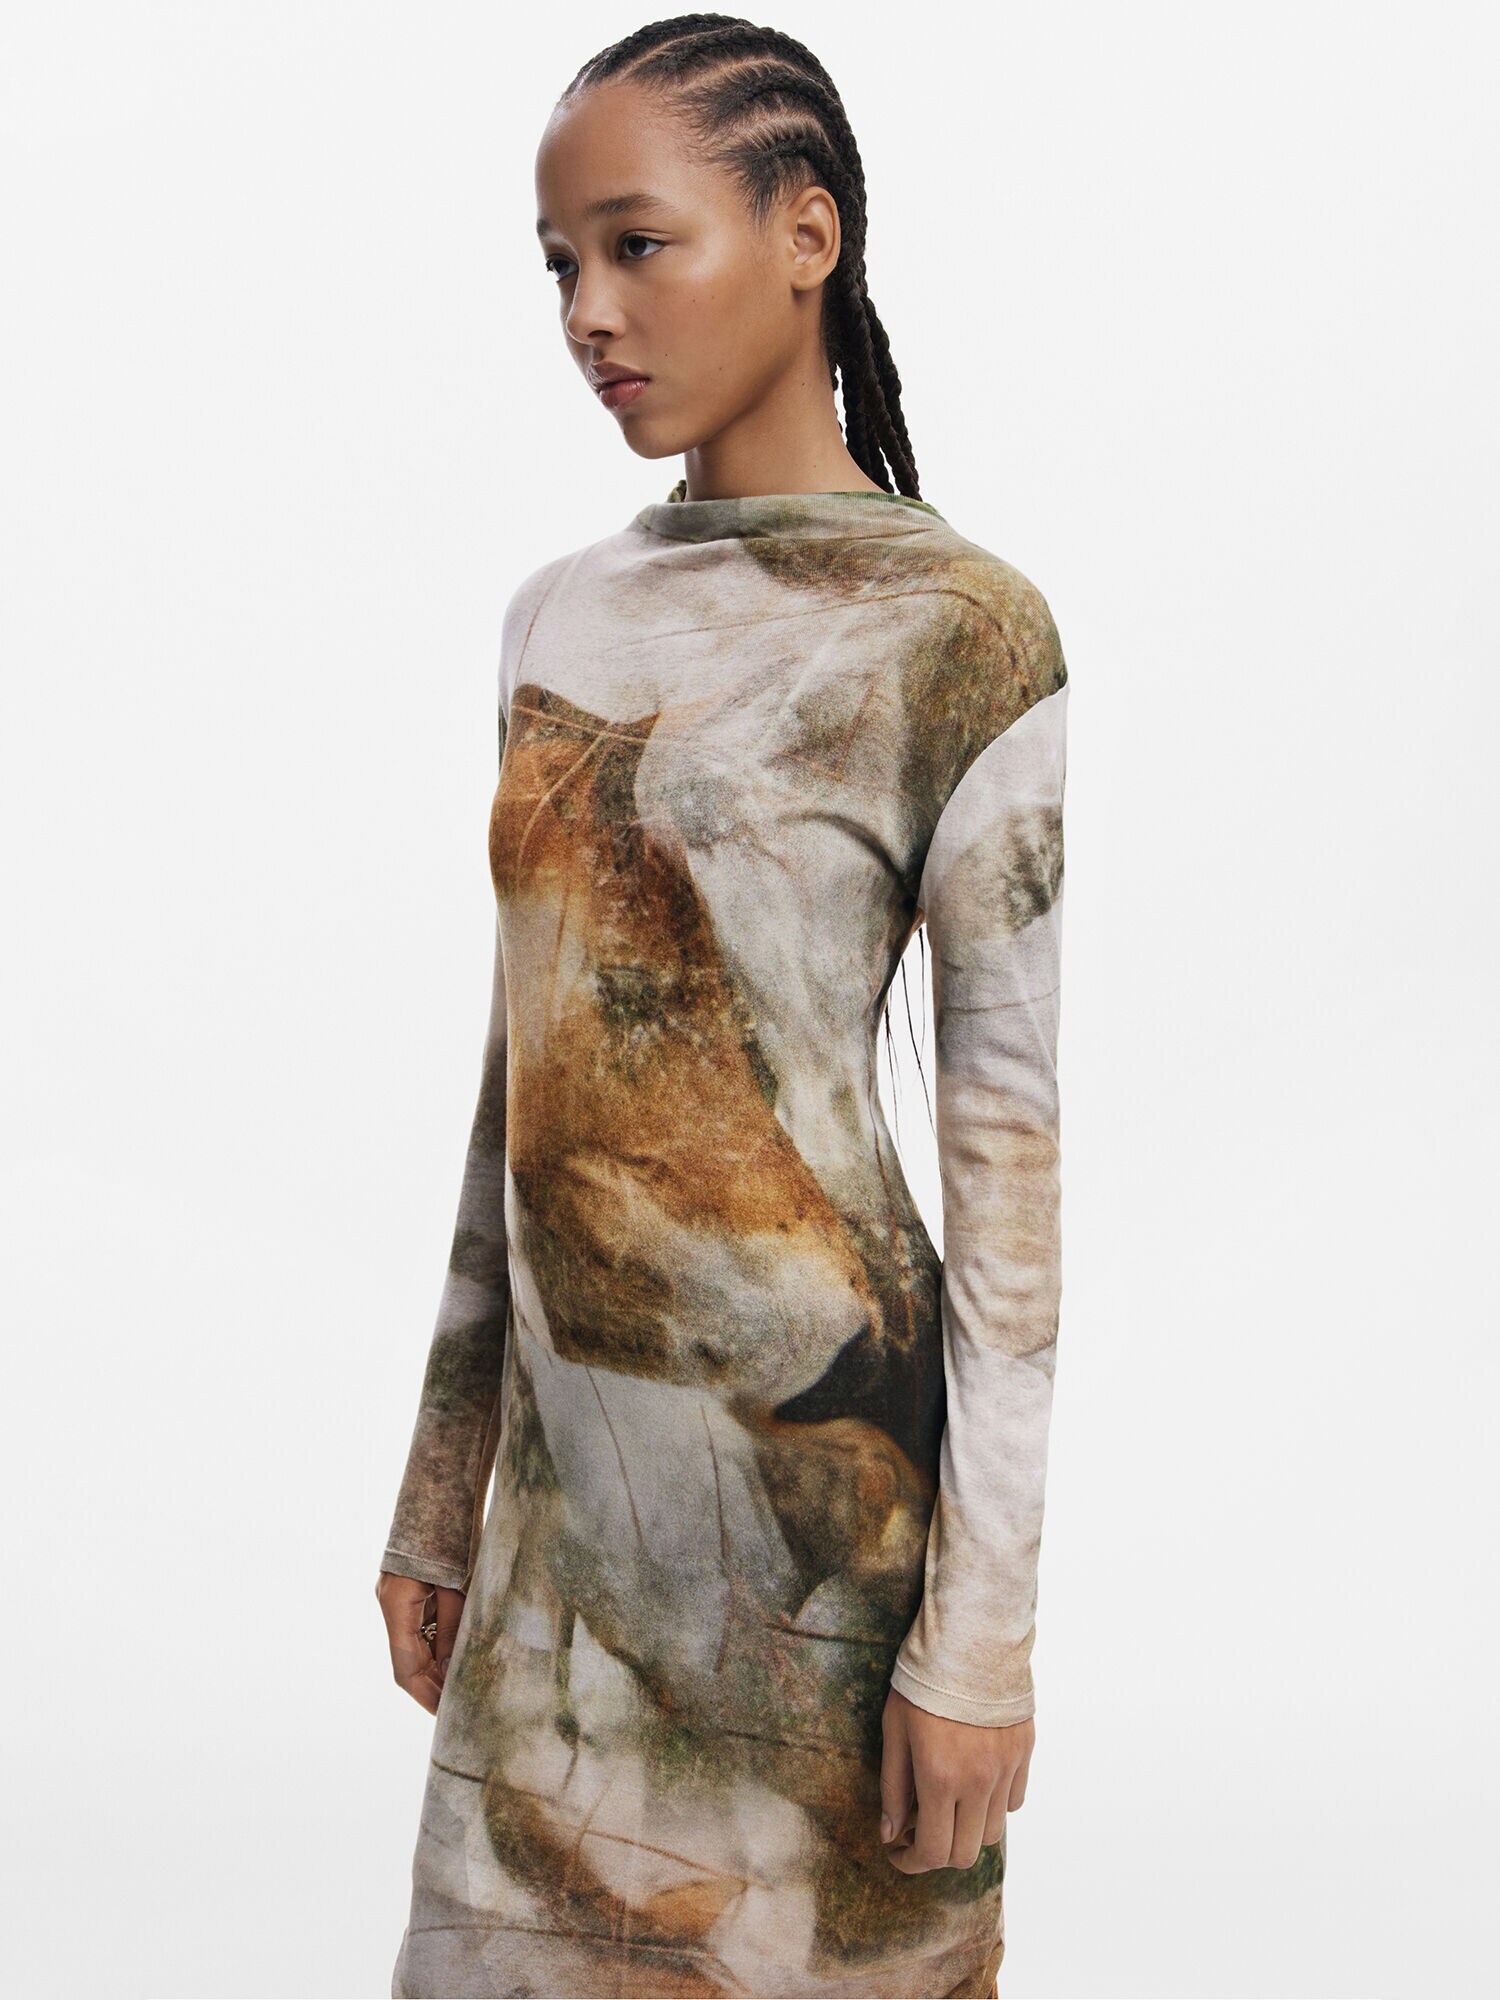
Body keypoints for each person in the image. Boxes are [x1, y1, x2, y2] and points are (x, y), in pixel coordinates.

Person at [374, 15, 1069, 1998]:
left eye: (636, 244)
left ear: (806, 235)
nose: (588, 313)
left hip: (825, 1542)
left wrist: (981, 1644)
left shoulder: (965, 633)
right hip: (565, 1552)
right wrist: (440, 1492)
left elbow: (1010, 1194)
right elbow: (524, 1078)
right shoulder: (557, 617)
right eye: (558, 266)